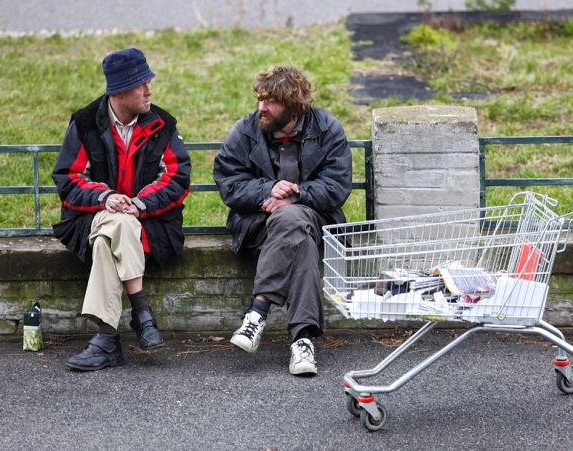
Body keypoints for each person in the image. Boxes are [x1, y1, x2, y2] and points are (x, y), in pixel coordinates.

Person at [53, 48, 191, 371]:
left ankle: (106, 339)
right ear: (120, 91)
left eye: (148, 82)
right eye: (141, 84)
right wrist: (106, 198)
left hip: (152, 224)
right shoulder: (86, 123)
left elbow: (177, 177)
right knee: (115, 223)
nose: (149, 90)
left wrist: (138, 204)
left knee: (110, 237)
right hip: (92, 216)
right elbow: (69, 178)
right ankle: (141, 312)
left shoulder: (163, 124)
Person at [213, 64, 352, 376]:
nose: (261, 107)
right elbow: (229, 182)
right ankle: (303, 341)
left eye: (270, 102)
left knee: (293, 219)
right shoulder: (246, 130)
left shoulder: (327, 129)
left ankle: (257, 313)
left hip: (315, 218)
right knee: (299, 240)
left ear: (292, 105)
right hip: (258, 224)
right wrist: (267, 189)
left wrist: (297, 194)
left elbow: (337, 186)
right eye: (259, 100)